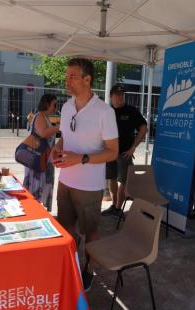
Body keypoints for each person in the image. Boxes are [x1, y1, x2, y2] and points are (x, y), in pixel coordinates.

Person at [52, 58, 118, 291]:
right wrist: (56, 149)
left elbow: (113, 152)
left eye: (72, 76)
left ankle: (89, 269)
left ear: (87, 79)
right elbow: (64, 136)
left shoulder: (104, 111)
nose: (66, 80)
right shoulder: (68, 106)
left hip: (89, 186)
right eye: (67, 76)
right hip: (66, 181)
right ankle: (71, 264)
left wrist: (81, 159)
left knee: (90, 231)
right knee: (66, 227)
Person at [101, 84, 147, 217]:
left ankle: (118, 208)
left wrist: (133, 148)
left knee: (124, 181)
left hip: (124, 153)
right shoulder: (107, 112)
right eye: (117, 94)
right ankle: (114, 206)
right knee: (111, 179)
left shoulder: (131, 111)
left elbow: (144, 128)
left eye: (122, 94)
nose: (120, 97)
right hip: (109, 153)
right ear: (111, 97)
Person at [23, 94, 59, 211]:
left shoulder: (46, 117)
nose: (56, 107)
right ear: (47, 104)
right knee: (37, 189)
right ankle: (35, 211)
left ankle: (40, 211)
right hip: (38, 161)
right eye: (54, 104)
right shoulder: (39, 116)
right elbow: (43, 133)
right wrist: (59, 127)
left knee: (44, 187)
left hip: (45, 160)